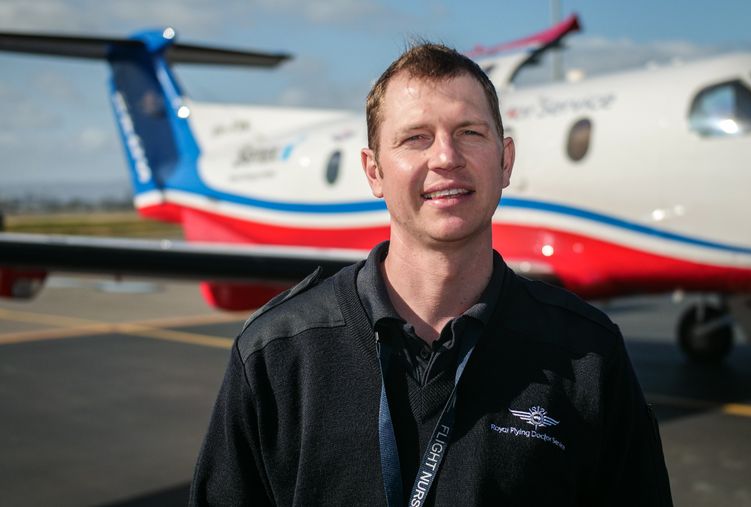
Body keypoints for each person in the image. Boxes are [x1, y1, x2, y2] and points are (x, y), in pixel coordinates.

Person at [189, 42, 672, 506]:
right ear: (373, 172)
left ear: (506, 161)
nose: (446, 157)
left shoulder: (590, 356)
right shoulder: (274, 353)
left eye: (470, 133)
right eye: (415, 138)